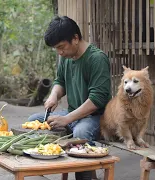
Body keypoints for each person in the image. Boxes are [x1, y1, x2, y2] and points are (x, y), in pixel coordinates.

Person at [27, 16, 111, 180]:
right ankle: (42, 166)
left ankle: (85, 177)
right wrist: (53, 96)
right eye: (56, 49)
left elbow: (97, 100)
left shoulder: (97, 58)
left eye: (61, 47)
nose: (60, 52)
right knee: (35, 120)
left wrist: (66, 119)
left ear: (75, 38)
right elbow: (60, 81)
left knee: (80, 132)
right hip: (73, 113)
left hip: (97, 117)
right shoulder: (66, 58)